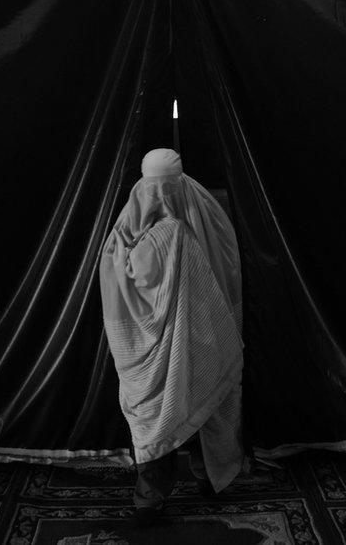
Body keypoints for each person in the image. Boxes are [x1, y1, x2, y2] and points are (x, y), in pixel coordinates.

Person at [99, 148, 247, 527]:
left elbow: (224, 266)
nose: (161, 198)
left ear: (180, 184)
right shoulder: (132, 229)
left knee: (205, 395)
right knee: (157, 412)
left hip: (200, 325)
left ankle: (209, 475)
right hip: (147, 344)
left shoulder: (203, 216)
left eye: (168, 189)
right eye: (155, 189)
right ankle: (152, 493)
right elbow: (116, 277)